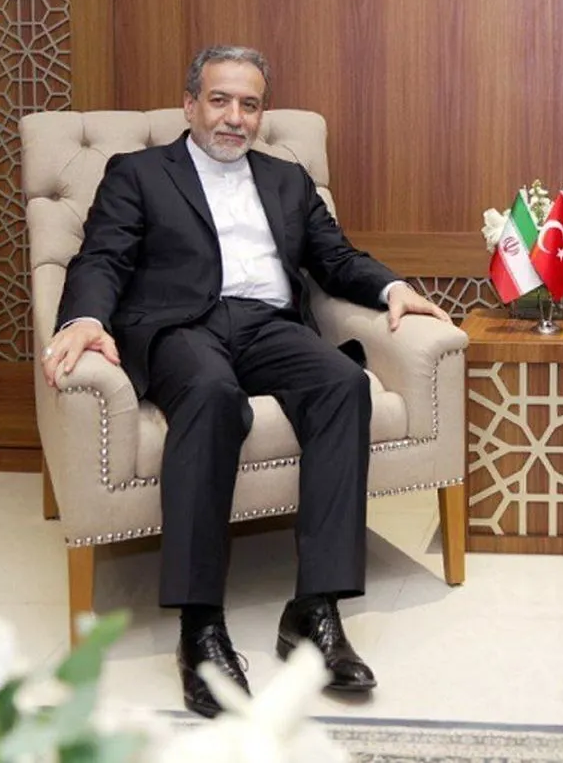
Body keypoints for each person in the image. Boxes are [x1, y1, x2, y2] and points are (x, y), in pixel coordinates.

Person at [40, 45, 451, 718]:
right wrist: (84, 318)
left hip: (267, 324)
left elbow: (335, 257)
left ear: (262, 115)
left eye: (250, 104)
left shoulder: (287, 180)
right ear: (191, 105)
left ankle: (315, 609)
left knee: (342, 384)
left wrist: (393, 287)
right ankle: (201, 628)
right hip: (181, 327)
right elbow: (103, 257)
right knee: (211, 396)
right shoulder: (140, 172)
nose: (235, 117)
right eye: (220, 100)